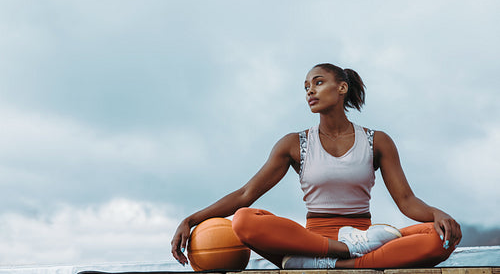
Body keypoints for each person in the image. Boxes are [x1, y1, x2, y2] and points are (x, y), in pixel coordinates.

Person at [170, 63, 462, 269]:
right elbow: (246, 194)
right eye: (306, 86)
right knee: (245, 219)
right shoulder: (294, 144)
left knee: (440, 238)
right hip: (308, 241)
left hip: (364, 237)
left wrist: (438, 213)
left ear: (342, 88)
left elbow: (407, 201)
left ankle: (342, 265)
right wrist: (191, 219)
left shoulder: (377, 141)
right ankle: (345, 255)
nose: (310, 90)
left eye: (318, 82)